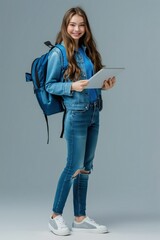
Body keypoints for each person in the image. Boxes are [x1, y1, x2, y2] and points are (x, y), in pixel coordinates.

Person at [45, 7, 116, 236]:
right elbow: (49, 85)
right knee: (73, 166)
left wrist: (104, 85)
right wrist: (71, 86)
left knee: (86, 167)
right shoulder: (58, 52)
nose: (77, 29)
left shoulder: (88, 50)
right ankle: (55, 216)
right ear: (66, 26)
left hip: (94, 112)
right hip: (76, 114)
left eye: (81, 25)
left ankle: (80, 217)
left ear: (86, 27)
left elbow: (92, 82)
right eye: (73, 24)